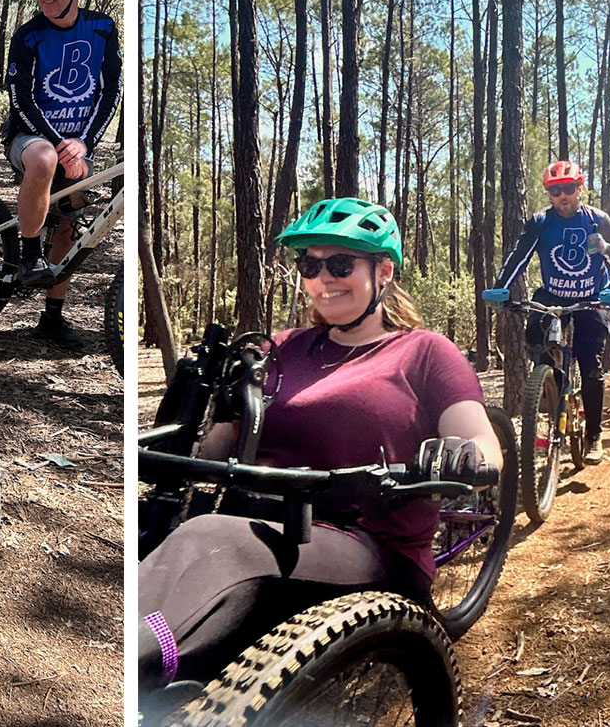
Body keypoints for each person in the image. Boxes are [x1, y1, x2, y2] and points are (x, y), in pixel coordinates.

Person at [138, 198, 503, 700]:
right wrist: (225, 406)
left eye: (340, 264)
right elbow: (215, 456)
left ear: (384, 271)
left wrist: (465, 455)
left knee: (209, 541)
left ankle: (133, 665)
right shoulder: (283, 346)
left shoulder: (423, 351)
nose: (323, 277)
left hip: (369, 542)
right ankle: (165, 678)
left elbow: (483, 442)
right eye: (310, 264)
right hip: (262, 519)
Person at [4, 0, 123, 349]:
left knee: (73, 224)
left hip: (77, 143)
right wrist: (59, 144)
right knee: (42, 160)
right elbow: (19, 100)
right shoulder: (28, 36)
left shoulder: (103, 30)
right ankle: (28, 255)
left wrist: (84, 143)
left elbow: (111, 93)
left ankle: (52, 317)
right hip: (30, 136)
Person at [489, 160, 610, 464]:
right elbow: (518, 258)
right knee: (535, 337)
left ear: (579, 188)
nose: (561, 196)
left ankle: (594, 434)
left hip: (593, 297)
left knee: (591, 365)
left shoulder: (598, 220)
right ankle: (550, 385)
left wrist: (605, 249)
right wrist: (501, 288)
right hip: (553, 296)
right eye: (554, 191)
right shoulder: (541, 222)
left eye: (567, 189)